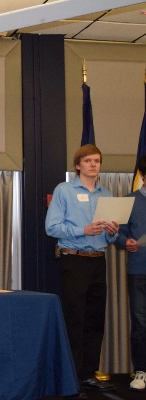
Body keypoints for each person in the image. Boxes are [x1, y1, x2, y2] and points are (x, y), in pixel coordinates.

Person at [45, 144, 119, 396]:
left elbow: (112, 237)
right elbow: (52, 227)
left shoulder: (106, 194)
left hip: (98, 260)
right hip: (74, 260)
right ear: (78, 165)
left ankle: (89, 374)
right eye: (88, 161)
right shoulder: (64, 190)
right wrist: (82, 230)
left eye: (97, 161)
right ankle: (71, 377)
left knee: (95, 320)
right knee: (74, 319)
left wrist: (112, 232)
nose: (93, 165)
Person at [114, 155, 146, 391]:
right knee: (140, 324)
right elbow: (117, 235)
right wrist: (127, 243)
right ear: (143, 176)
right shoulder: (128, 201)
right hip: (139, 271)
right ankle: (141, 371)